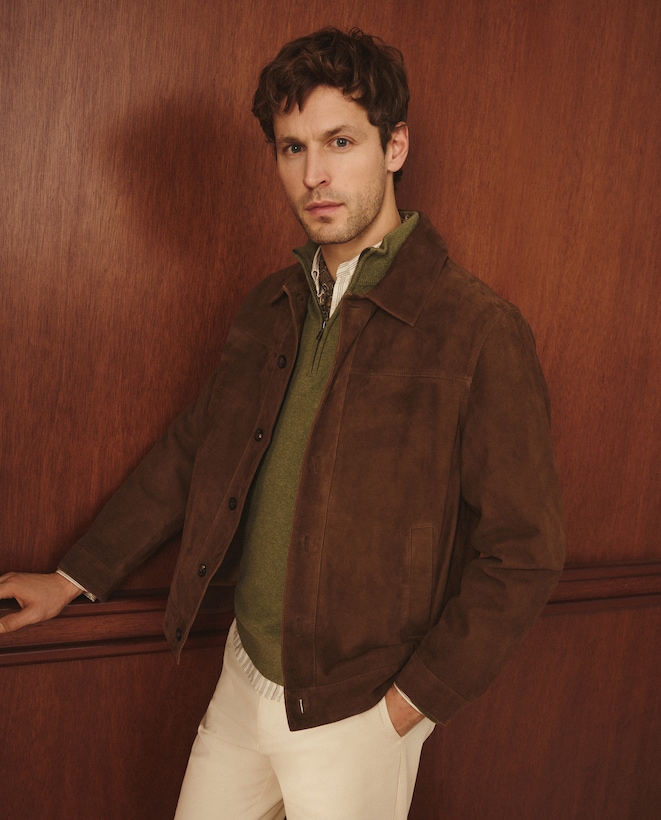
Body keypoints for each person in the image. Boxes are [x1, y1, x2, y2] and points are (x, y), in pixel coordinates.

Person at [0, 27, 565, 819]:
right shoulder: (271, 306)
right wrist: (73, 577)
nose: (313, 175)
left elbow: (524, 551)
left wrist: (407, 708)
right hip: (243, 677)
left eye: (340, 141)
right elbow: (193, 450)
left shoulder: (474, 328)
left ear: (394, 145)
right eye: (291, 147)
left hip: (357, 708)